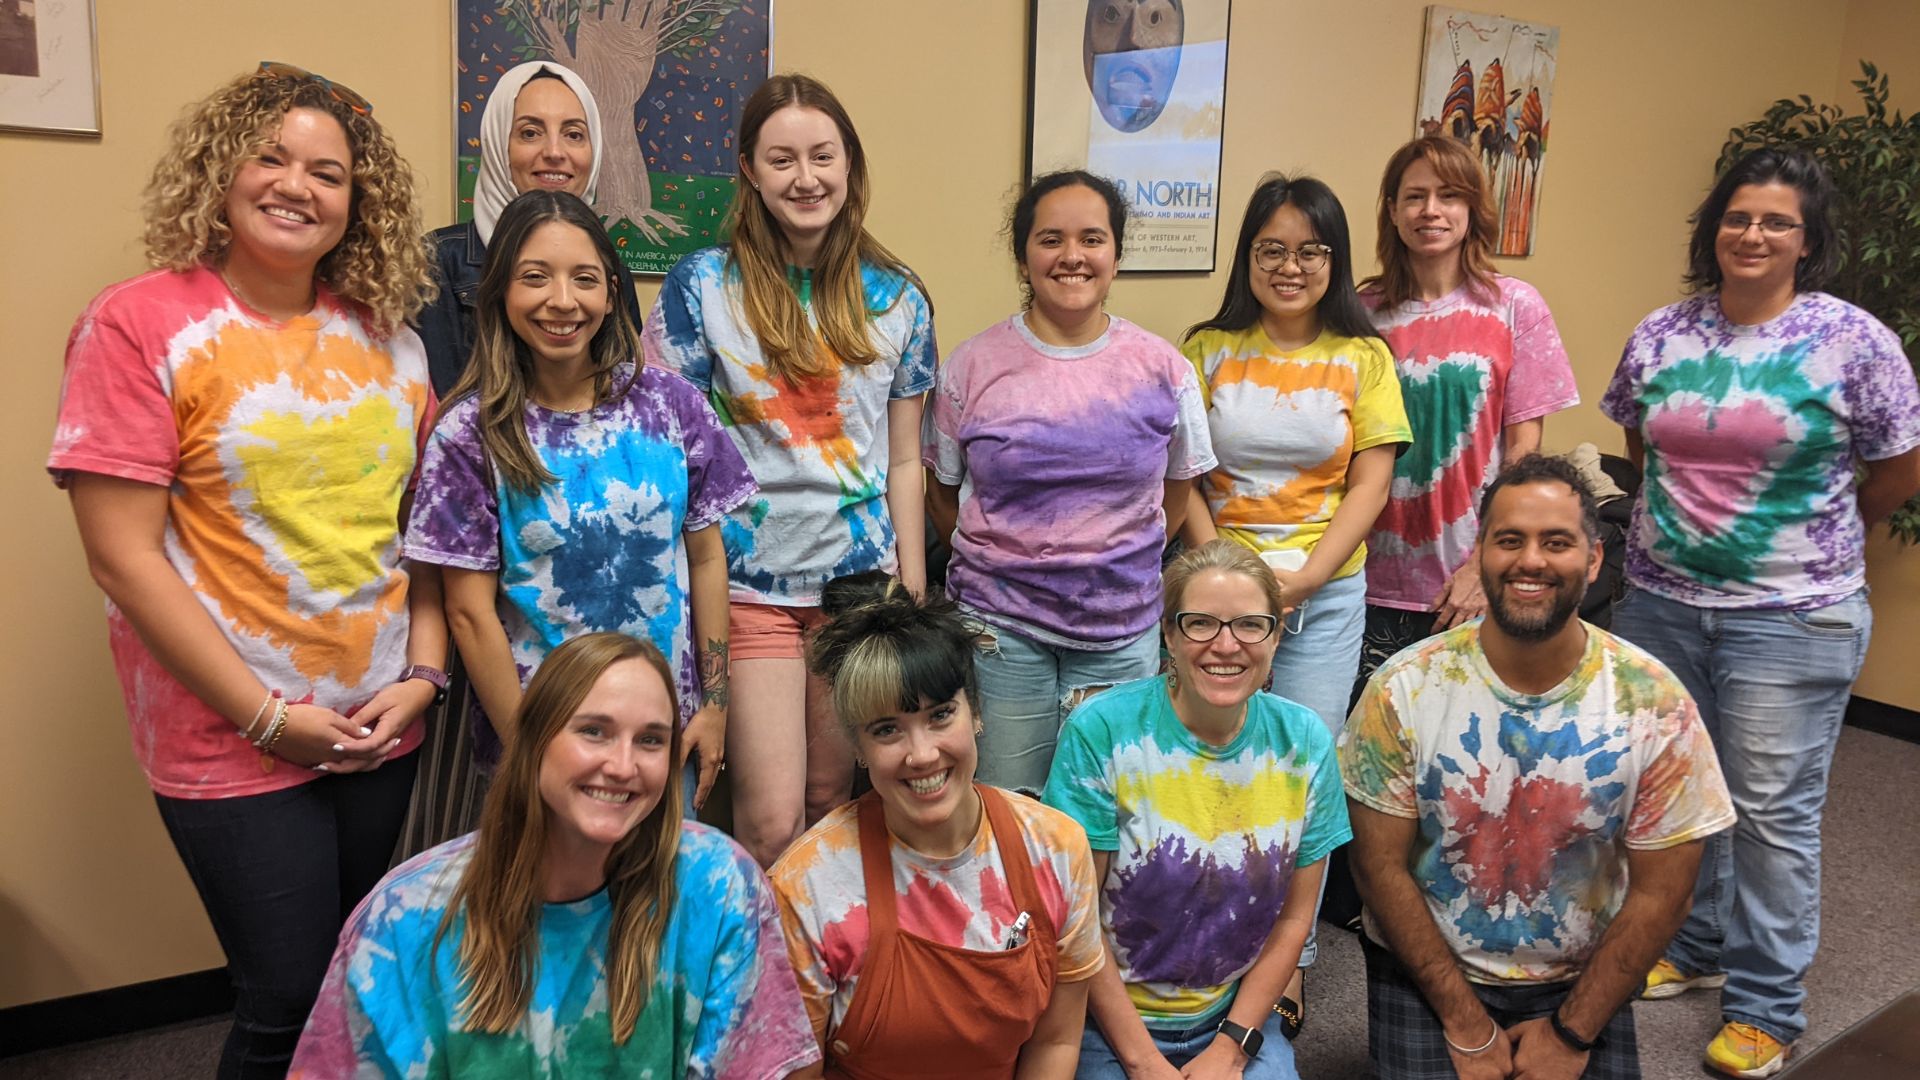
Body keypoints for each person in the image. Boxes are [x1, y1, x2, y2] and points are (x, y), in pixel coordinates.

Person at [47, 65, 444, 1078]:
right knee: (283, 1001)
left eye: (328, 171)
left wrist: (422, 681)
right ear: (220, 170)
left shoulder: (392, 345)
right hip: (229, 738)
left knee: (348, 983)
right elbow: (123, 559)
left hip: (373, 728)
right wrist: (270, 718)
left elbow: (422, 537)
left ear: (360, 204)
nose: (297, 185)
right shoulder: (141, 323)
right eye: (271, 156)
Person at [1601, 147, 1920, 1078]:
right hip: (1661, 604)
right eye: (1739, 217)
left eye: (1777, 221)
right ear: (1714, 228)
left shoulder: (1853, 342)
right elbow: (1642, 439)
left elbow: (1899, 470)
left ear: (1807, 239)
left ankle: (1768, 1009)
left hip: (1792, 616)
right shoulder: (1663, 331)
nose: (1754, 234)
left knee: (1774, 814)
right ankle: (1696, 951)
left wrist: (1819, 538)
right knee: (1683, 798)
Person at [1342, 455, 1736, 1080]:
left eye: (1556, 542)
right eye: (1509, 540)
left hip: (1581, 976)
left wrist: (1572, 1033)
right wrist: (1466, 1024)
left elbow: (1667, 893)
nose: (1531, 560)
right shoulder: (1403, 689)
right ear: (1479, 555)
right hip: (1424, 968)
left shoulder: (1653, 702)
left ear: (1595, 559)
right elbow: (1376, 866)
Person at [291, 631, 821, 1078]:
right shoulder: (406, 917)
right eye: (594, 731)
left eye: (651, 741)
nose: (622, 765)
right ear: (533, 741)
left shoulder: (719, 884)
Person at [644, 73, 938, 866]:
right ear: (748, 170)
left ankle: (822, 978)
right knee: (771, 821)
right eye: (782, 159)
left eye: (822, 156)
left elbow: (906, 458)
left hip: (856, 589)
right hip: (749, 589)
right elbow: (676, 454)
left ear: (850, 165)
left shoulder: (899, 295)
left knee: (832, 804)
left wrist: (909, 585)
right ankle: (765, 984)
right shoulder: (700, 287)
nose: (805, 178)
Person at [404, 190, 755, 813]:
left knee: (657, 905)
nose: (562, 301)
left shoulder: (671, 406)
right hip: (539, 738)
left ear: (612, 292)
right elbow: (468, 614)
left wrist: (716, 706)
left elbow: (705, 560)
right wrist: (531, 755)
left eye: (584, 279)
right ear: (500, 293)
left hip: (659, 736)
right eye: (534, 277)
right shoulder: (467, 432)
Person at [1179, 172, 1409, 1032]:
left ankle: (1290, 961)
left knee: (1296, 777)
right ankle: (1207, 943)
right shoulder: (1206, 346)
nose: (1291, 265)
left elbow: (1371, 481)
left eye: (1311, 250)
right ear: (1249, 256)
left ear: (1335, 260)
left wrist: (1303, 579)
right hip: (1216, 597)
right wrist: (1226, 572)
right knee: (1216, 769)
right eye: (1272, 248)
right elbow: (1187, 475)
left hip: (1323, 598)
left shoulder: (1365, 357)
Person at [403, 59, 641, 855]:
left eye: (573, 132)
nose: (554, 150)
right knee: (484, 820)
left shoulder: (605, 266)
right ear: (494, 144)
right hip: (474, 582)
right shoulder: (442, 264)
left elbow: (621, 413)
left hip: (573, 587)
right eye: (529, 130)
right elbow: (439, 430)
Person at [927, 170, 1215, 793]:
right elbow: (942, 492)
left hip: (1120, 629)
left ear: (1116, 254)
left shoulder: (1163, 368)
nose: (1072, 256)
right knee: (1009, 805)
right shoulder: (972, 364)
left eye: (1092, 238)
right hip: (1000, 630)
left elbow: (1179, 489)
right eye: (1051, 239)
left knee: (1105, 810)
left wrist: (1111, 558)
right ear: (1023, 256)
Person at [768, 574, 1104, 1078]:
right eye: (887, 730)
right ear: (858, 749)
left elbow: (1055, 1040)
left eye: (941, 715)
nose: (922, 755)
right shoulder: (808, 884)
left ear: (977, 713)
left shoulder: (1056, 847)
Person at [1043, 540, 1348, 1080]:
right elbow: (1077, 922)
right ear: (1169, 634)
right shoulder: (1102, 732)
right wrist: (1141, 1062)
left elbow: (1297, 918)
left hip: (1233, 1015)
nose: (1225, 645)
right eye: (1200, 623)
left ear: (1275, 635)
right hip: (1104, 1019)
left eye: (1250, 625)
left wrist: (1231, 1049)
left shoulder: (1304, 742)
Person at [1356, 135, 1579, 684]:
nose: (1431, 210)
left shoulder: (1514, 306)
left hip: (1467, 580)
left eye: (1449, 195)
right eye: (1414, 196)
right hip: (1361, 578)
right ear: (1391, 209)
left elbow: (1523, 455)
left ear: (1472, 209)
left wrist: (1484, 563)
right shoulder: (1360, 310)